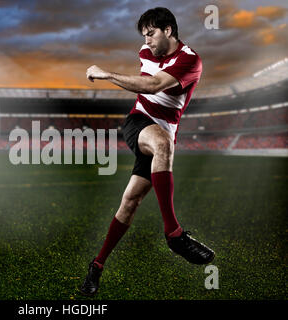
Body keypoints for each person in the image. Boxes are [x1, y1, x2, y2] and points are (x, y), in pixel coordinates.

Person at [80, 7, 215, 296]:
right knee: (163, 144)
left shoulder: (190, 61)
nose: (147, 40)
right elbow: (146, 87)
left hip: (162, 132)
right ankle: (174, 234)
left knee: (129, 202)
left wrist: (105, 74)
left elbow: (154, 85)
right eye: (143, 35)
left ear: (168, 30)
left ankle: (96, 266)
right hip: (138, 123)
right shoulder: (145, 51)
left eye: (151, 33)